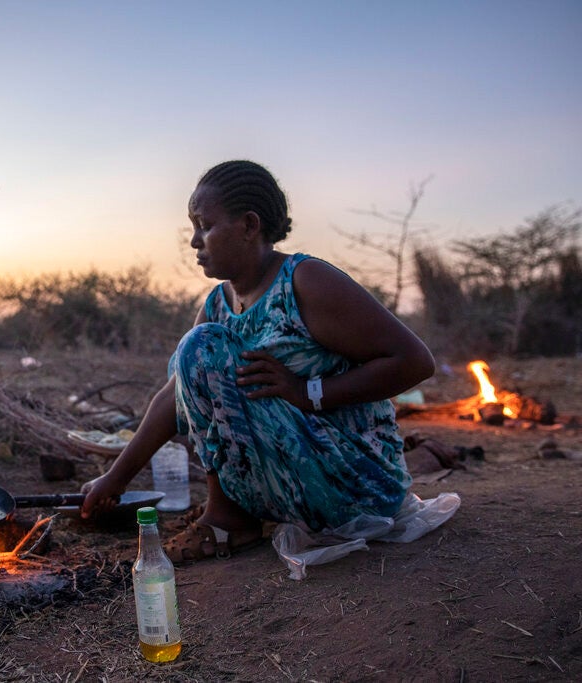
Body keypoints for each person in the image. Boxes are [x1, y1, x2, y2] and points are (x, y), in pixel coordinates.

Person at [81, 160, 435, 563]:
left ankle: (226, 519)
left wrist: (310, 392)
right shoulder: (217, 304)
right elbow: (173, 397)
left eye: (205, 225)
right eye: (193, 228)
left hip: (354, 484)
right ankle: (235, 513)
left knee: (200, 346)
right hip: (295, 483)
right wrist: (115, 479)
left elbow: (414, 362)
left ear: (250, 226)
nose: (195, 241)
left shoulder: (305, 280)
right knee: (193, 352)